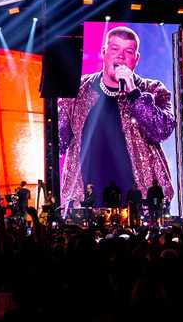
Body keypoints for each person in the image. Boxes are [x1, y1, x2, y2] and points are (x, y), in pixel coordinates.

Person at [58, 25, 176, 212]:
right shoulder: (77, 90)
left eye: (128, 51)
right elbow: (59, 143)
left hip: (141, 203)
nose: (120, 56)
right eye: (115, 49)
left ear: (135, 59)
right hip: (86, 203)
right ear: (104, 52)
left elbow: (162, 131)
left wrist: (134, 94)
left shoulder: (153, 90)